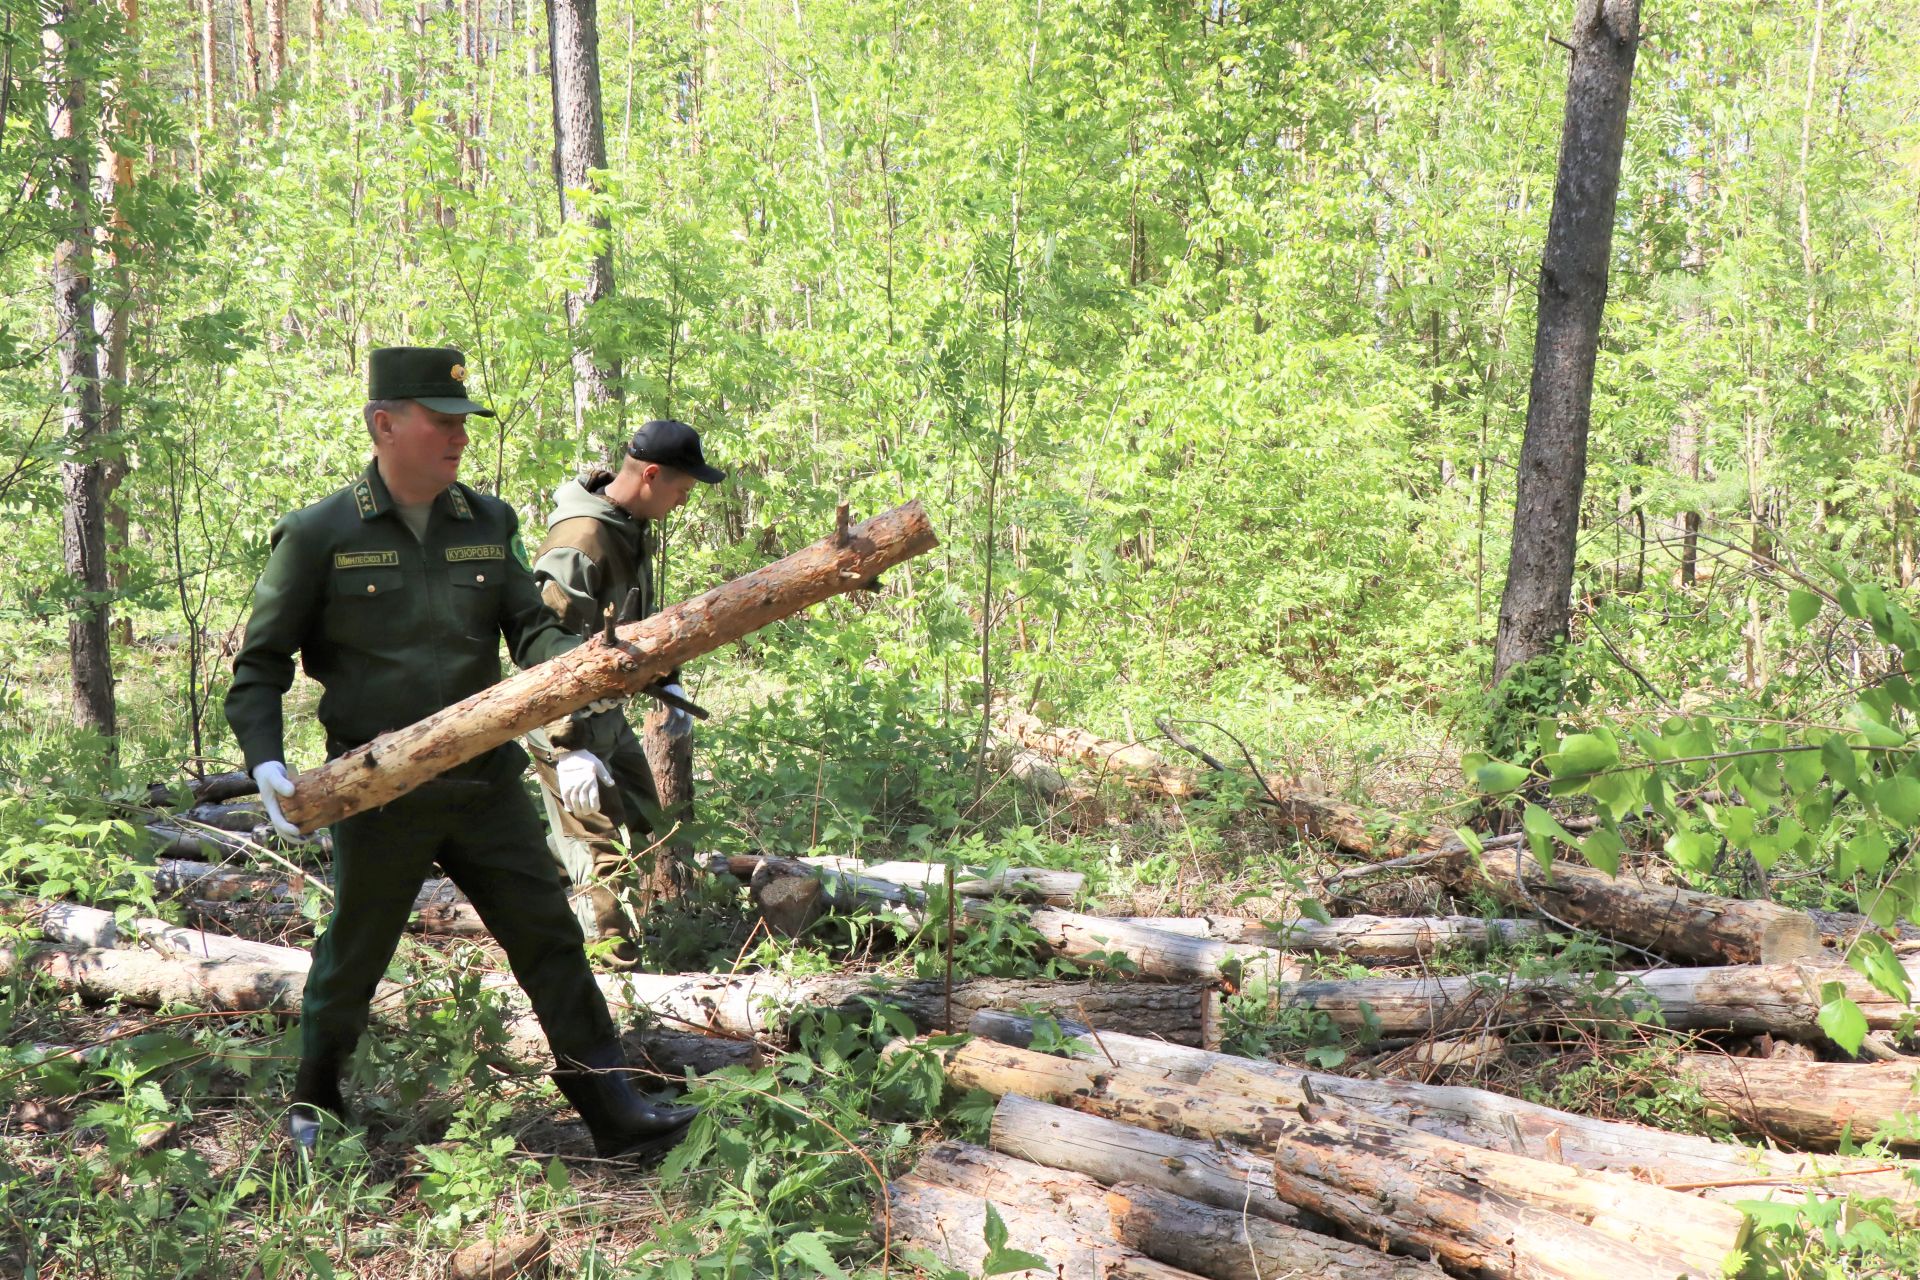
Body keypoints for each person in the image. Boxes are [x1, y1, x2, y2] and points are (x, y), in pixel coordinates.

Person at [223, 346, 695, 1160]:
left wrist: (590, 667)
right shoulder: (319, 535)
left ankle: (609, 1104)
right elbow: (258, 670)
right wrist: (268, 762)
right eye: (441, 423)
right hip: (379, 789)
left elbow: (533, 628)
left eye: (463, 424)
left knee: (549, 937)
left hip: (484, 785)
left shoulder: (490, 523)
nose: (459, 439)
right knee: (356, 951)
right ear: (384, 424)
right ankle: (315, 1104)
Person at [526, 420, 725, 963]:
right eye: (682, 489)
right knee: (602, 855)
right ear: (652, 475)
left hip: (608, 715)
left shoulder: (630, 525)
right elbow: (541, 652)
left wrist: (667, 679)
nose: (684, 501)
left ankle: (528, 892)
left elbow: (628, 624)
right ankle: (615, 978)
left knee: (642, 817)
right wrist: (567, 749)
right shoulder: (581, 541)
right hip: (565, 721)